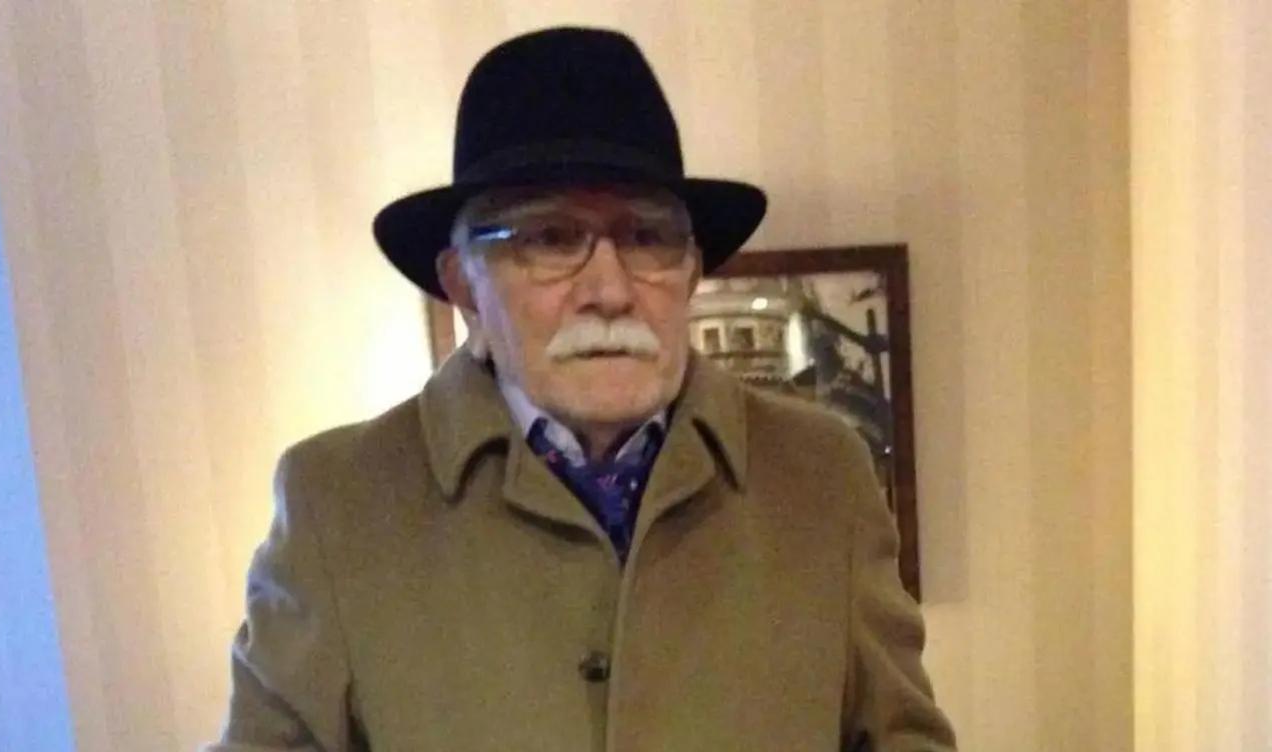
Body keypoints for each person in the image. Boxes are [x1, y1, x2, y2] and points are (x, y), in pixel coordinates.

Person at [208, 26, 957, 752]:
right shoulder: (337, 502)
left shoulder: (823, 476)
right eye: (550, 238)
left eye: (646, 237)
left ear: (691, 271)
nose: (610, 290)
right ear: (463, 284)